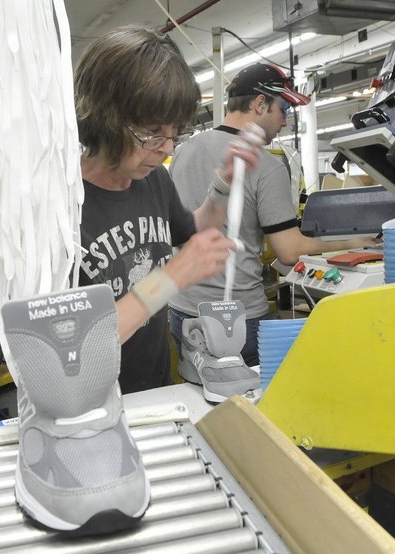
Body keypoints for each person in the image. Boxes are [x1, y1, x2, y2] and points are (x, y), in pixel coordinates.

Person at [74, 26, 260, 394]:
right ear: (104, 117)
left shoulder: (153, 179)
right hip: (95, 402)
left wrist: (223, 185)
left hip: (156, 388)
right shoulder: (62, 208)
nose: (167, 148)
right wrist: (171, 278)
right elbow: (81, 346)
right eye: (153, 132)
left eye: (174, 132)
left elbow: (193, 231)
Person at [168, 62, 380, 367]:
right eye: (284, 109)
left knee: (199, 388)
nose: (285, 121)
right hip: (237, 317)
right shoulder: (265, 165)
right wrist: (354, 243)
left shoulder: (183, 151)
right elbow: (289, 251)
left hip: (183, 309)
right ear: (260, 104)